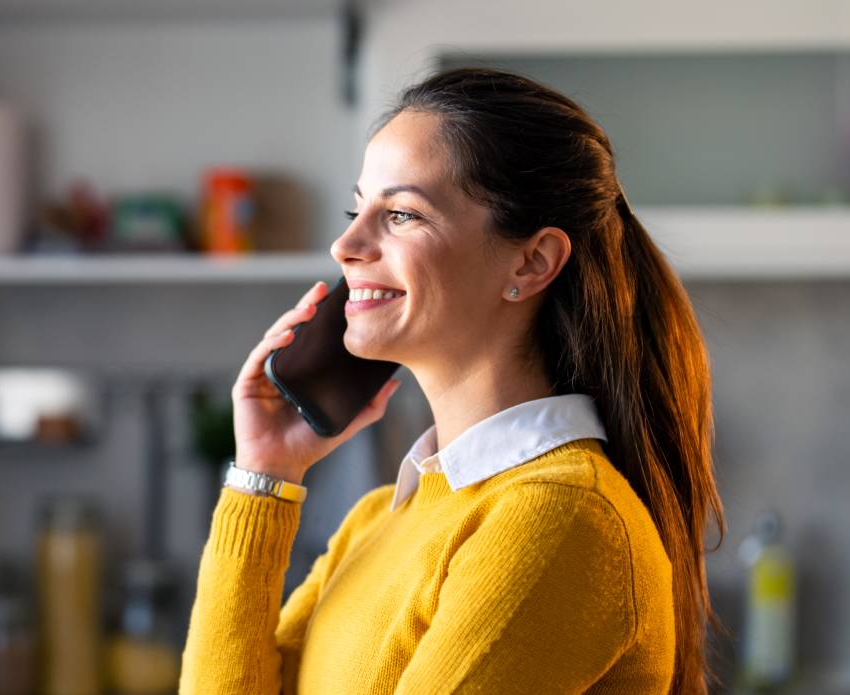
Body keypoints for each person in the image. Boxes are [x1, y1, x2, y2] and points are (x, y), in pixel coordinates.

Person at [180, 67, 724, 694]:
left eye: (403, 214)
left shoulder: (562, 518)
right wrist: (264, 475)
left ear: (532, 260)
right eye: (359, 209)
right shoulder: (379, 520)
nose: (346, 244)